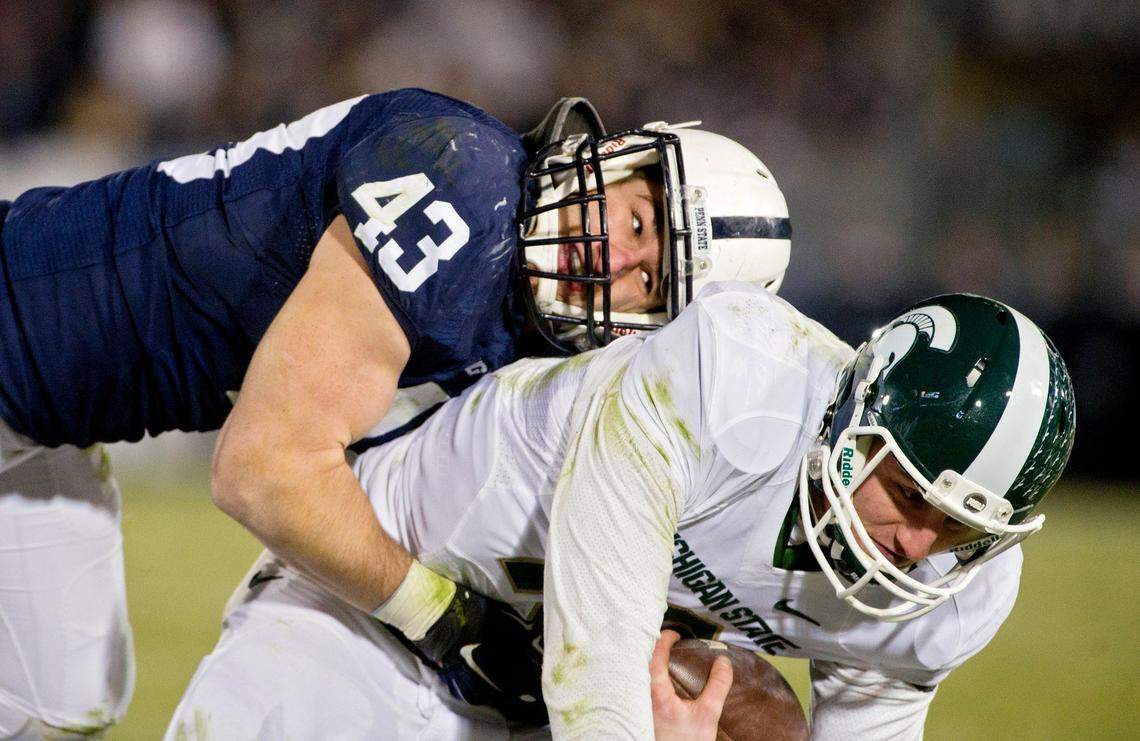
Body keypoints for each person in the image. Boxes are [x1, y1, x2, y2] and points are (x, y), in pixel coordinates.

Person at [0, 88, 791, 737]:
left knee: (57, 701)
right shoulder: (466, 181)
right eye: (638, 223)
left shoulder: (525, 319)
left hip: (41, 422)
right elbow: (264, 471)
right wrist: (445, 618)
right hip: (13, 351)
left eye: (648, 284)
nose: (614, 259)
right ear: (620, 159)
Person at [165, 283, 1075, 739]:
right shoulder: (731, 384)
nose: (918, 546)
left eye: (963, 532)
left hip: (530, 702)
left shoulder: (959, 595)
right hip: (367, 609)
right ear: (855, 417)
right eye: (912, 494)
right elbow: (596, 662)